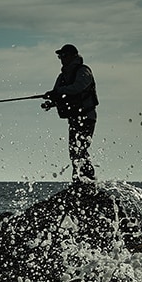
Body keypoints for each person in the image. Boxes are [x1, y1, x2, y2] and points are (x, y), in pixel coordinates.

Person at [41, 44, 99, 184]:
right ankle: (79, 180)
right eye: (60, 56)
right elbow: (59, 94)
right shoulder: (62, 76)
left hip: (87, 117)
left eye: (64, 55)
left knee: (81, 149)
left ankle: (87, 179)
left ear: (73, 56)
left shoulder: (83, 71)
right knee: (74, 151)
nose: (61, 59)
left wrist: (57, 93)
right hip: (74, 118)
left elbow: (78, 88)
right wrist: (51, 102)